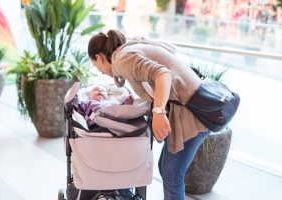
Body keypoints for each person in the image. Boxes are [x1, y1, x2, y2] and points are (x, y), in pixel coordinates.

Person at [87, 30, 210, 200]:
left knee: (172, 175)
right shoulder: (130, 48)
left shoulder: (122, 60)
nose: (100, 72)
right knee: (166, 169)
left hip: (193, 114)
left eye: (96, 66)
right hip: (192, 107)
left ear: (99, 58)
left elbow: (163, 74)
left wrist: (158, 111)